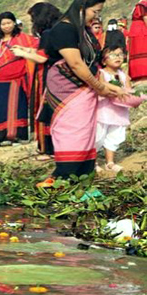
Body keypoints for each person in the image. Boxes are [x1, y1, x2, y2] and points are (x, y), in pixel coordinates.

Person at [38, 0, 125, 186]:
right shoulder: (64, 29)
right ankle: (64, 177)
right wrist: (100, 87)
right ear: (81, 9)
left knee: (85, 130)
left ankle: (83, 177)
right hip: (67, 86)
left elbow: (90, 64)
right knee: (72, 129)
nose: (96, 16)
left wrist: (108, 86)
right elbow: (76, 64)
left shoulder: (83, 30)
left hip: (85, 84)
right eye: (95, 11)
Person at [12, 2, 64, 161]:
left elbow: (42, 58)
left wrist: (22, 53)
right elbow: (47, 52)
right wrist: (29, 50)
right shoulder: (58, 29)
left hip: (48, 75)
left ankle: (49, 148)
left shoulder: (47, 33)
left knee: (46, 109)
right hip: (59, 74)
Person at [0, 12, 38, 147]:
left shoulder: (23, 39)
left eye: (9, 23)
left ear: (14, 23)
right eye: (3, 24)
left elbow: (38, 49)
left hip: (17, 79)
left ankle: (19, 136)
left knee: (18, 107)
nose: (6, 26)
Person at [96, 44, 131, 172]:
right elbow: (101, 84)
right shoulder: (102, 73)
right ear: (104, 61)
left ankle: (110, 162)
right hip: (104, 110)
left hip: (119, 111)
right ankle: (93, 162)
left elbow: (128, 89)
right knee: (98, 135)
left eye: (120, 54)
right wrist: (116, 88)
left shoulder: (123, 75)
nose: (117, 57)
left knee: (115, 135)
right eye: (112, 55)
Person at [129, 1, 147, 84]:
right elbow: (146, 18)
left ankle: (138, 75)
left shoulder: (140, 4)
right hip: (141, 32)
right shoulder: (144, 4)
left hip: (136, 31)